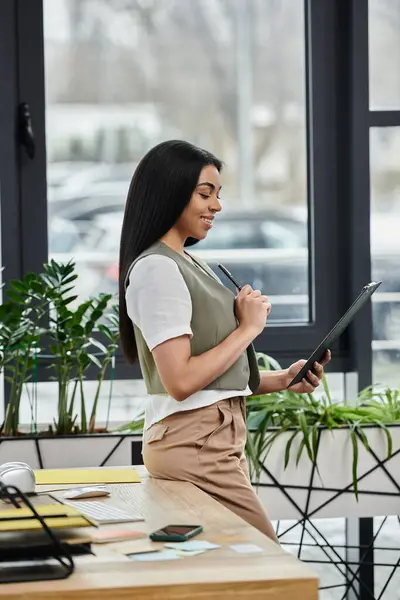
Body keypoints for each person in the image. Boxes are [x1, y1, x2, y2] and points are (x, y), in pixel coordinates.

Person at [118, 140, 330, 543]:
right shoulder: (157, 270)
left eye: (218, 194)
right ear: (169, 191)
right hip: (195, 445)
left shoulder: (185, 262)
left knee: (230, 568)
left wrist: (281, 379)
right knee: (268, 565)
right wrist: (247, 329)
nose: (216, 205)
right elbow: (180, 381)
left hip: (207, 444)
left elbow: (208, 381)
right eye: (205, 193)